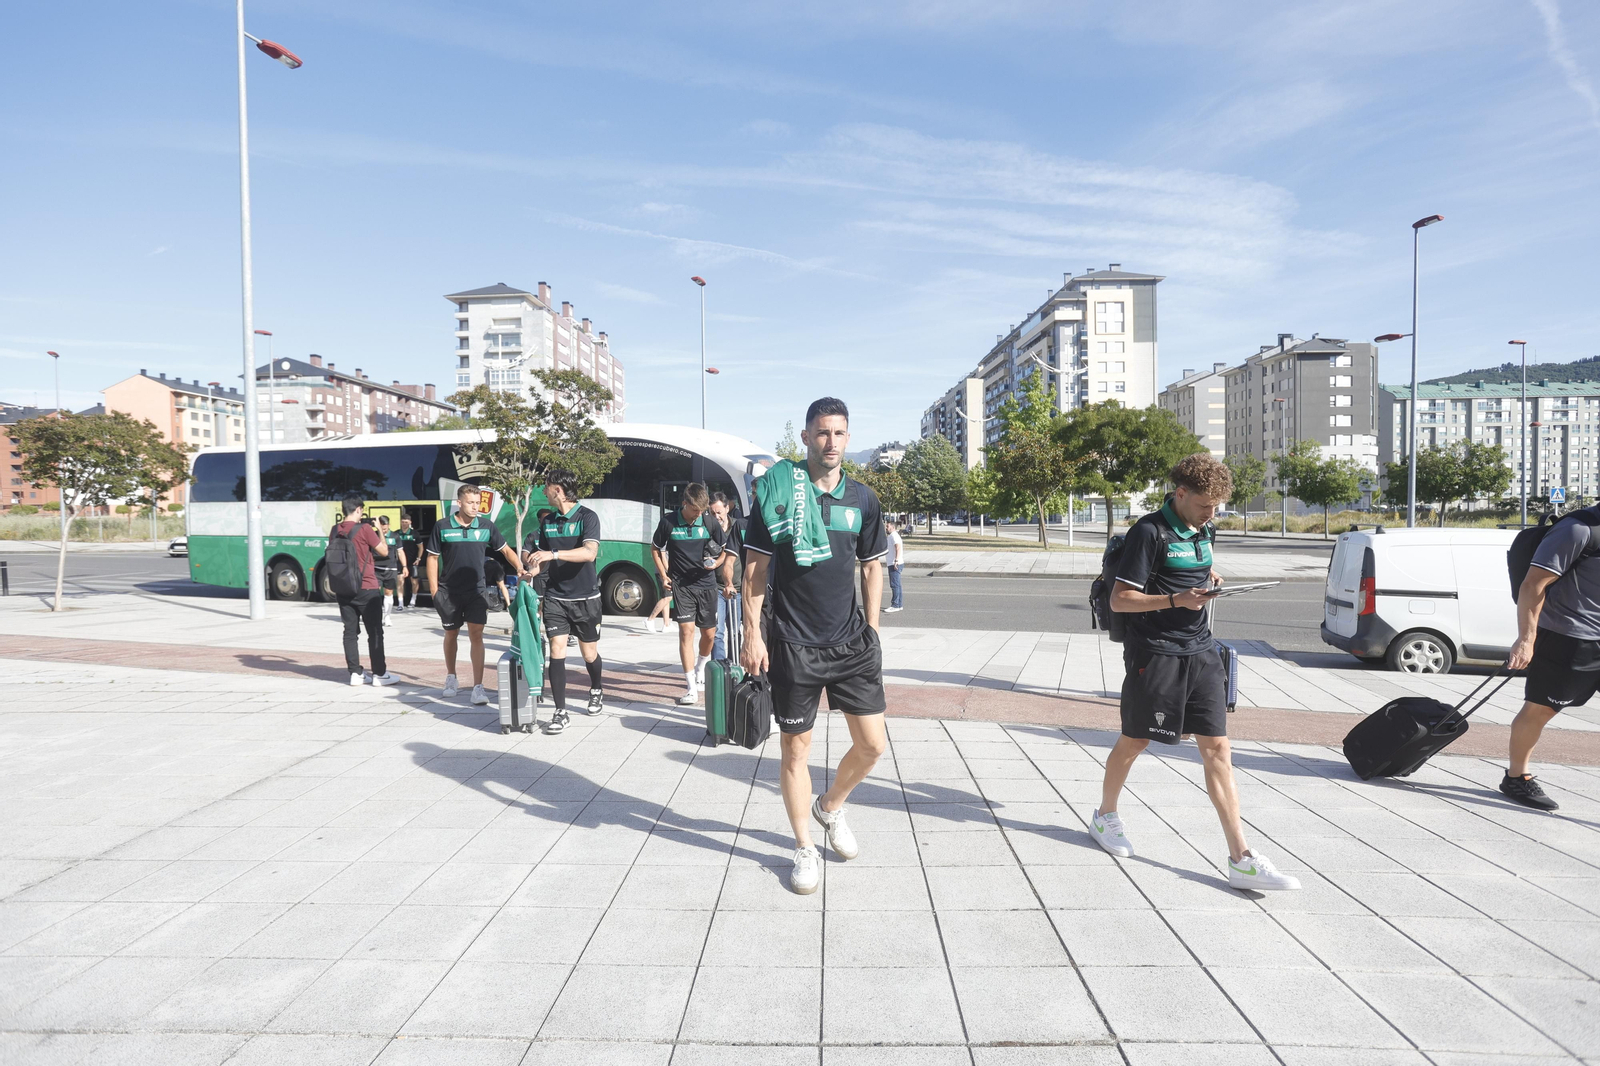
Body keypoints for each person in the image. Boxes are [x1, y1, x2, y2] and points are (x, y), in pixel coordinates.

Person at [1094, 453, 1299, 891]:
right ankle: (1105, 816)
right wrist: (1175, 601)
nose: (1213, 514)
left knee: (1218, 749)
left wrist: (1211, 582)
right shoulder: (1148, 532)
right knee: (1135, 741)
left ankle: (1241, 858)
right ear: (1181, 494)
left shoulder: (1204, 527)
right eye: (1206, 505)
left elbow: (1198, 567)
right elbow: (1120, 600)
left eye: (1218, 507)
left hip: (1201, 649)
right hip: (1155, 652)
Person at [743, 397, 887, 895]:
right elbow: (755, 569)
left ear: (849, 437)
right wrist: (753, 632)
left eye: (840, 433)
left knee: (872, 746)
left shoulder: (863, 499)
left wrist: (871, 628)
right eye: (822, 433)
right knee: (795, 751)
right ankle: (804, 846)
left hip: (851, 642)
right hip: (793, 642)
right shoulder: (779, 494)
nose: (831, 443)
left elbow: (872, 565)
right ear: (805, 437)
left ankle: (829, 807)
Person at [1501, 510, 1600, 811]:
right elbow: (1533, 585)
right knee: (1541, 709)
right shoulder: (1578, 530)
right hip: (1571, 637)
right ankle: (1517, 776)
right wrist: (1526, 639)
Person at [424, 483, 526, 706]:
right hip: (448, 592)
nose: (475, 507)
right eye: (470, 503)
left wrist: (519, 568)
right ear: (459, 503)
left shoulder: (487, 526)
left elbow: (506, 551)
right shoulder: (442, 526)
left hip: (477, 592)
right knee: (451, 635)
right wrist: (434, 592)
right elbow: (431, 558)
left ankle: (478, 687)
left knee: (476, 635)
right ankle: (451, 677)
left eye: (477, 503)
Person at [523, 469, 606, 734]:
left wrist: (552, 553)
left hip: (586, 598)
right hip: (556, 597)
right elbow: (543, 561)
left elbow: (589, 553)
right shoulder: (548, 522)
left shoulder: (587, 517)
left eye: (546, 487)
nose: (543, 492)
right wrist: (532, 571)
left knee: (588, 653)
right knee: (557, 650)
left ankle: (596, 689)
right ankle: (561, 711)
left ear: (558, 489)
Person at [652, 483, 734, 706]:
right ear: (684, 504)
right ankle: (690, 687)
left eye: (702, 510)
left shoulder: (708, 521)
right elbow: (655, 549)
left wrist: (716, 562)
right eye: (696, 510)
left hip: (707, 585)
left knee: (709, 635)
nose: (699, 514)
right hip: (682, 585)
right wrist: (664, 575)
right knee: (686, 632)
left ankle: (700, 667)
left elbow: (726, 547)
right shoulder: (668, 522)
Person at [331, 498, 398, 688]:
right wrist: (378, 530)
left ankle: (355, 674)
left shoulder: (335, 530)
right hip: (366, 587)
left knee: (350, 632)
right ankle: (379, 674)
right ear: (359, 510)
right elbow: (384, 551)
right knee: (375, 632)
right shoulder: (365, 529)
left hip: (343, 588)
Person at [708, 492, 747, 662]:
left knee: (734, 629)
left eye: (719, 512)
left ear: (727, 508)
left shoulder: (738, 526)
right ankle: (719, 667)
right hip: (716, 586)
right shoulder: (707, 528)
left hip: (737, 588)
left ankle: (734, 665)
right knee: (717, 630)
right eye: (712, 513)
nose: (716, 517)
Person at [374, 515, 406, 625]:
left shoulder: (395, 536)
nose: (383, 527)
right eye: (381, 525)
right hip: (376, 568)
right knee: (374, 593)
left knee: (389, 593)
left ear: (389, 525)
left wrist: (405, 566)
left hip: (391, 568)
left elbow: (400, 552)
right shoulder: (373, 535)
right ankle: (375, 616)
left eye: (385, 525)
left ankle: (387, 617)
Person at [397, 514, 421, 611]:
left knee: (414, 582)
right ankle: (400, 603)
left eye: (406, 522)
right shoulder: (396, 533)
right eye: (403, 522)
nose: (404, 524)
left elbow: (421, 547)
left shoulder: (415, 534)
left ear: (410, 522)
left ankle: (413, 600)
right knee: (400, 581)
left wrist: (418, 558)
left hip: (412, 562)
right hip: (400, 562)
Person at [883, 518, 905, 613]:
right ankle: (899, 604)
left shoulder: (894, 536)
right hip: (894, 562)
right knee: (897, 585)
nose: (886, 528)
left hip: (894, 563)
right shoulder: (892, 536)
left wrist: (896, 560)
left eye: (887, 526)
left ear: (893, 527)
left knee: (894, 585)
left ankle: (895, 605)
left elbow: (898, 547)